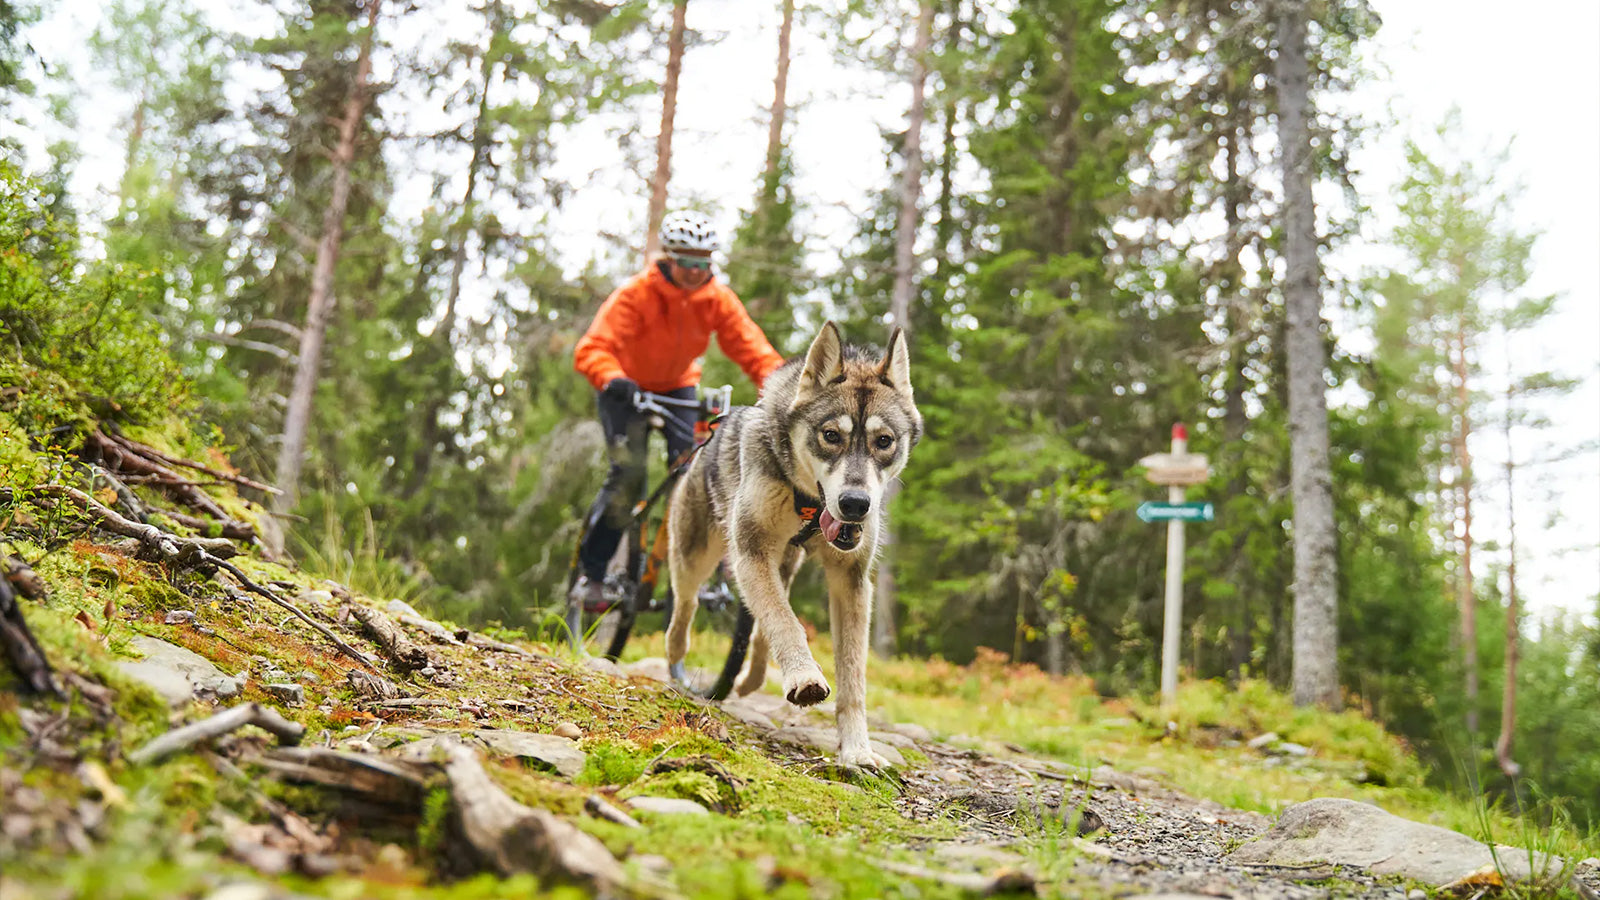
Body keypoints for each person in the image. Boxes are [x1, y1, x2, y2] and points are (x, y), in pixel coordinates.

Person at [569, 210, 785, 609]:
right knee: (629, 475)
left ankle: (698, 569)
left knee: (697, 473)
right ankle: (591, 576)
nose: (694, 270)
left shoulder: (717, 298)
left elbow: (752, 348)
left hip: (678, 388)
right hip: (625, 388)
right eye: (685, 261)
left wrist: (782, 387)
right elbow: (592, 348)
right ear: (668, 258)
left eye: (702, 261)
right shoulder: (636, 294)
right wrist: (614, 379)